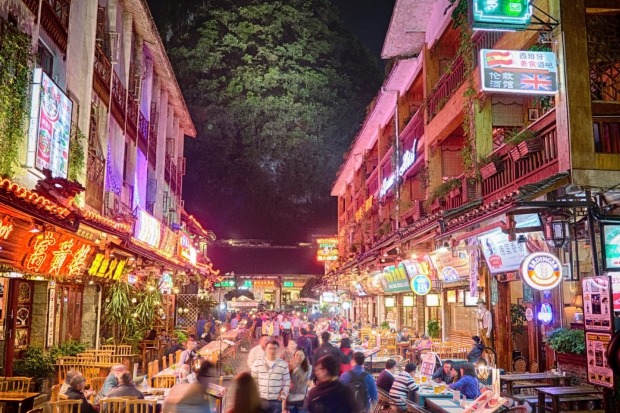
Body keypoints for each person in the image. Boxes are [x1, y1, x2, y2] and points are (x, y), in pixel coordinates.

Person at [251, 340, 291, 413]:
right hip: (261, 400)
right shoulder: (257, 363)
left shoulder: (283, 364)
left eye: (274, 349)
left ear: (278, 350)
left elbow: (287, 381)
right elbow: (253, 381)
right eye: (270, 348)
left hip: (276, 400)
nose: (272, 351)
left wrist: (283, 395)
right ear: (265, 349)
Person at [284, 349, 312, 413]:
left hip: (302, 398)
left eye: (301, 355)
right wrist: (289, 369)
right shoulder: (289, 366)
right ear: (294, 356)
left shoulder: (309, 367)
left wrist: (296, 369)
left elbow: (305, 379)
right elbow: (283, 379)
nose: (298, 357)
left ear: (305, 357)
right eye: (297, 355)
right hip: (290, 397)